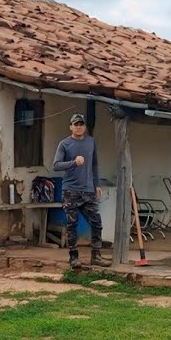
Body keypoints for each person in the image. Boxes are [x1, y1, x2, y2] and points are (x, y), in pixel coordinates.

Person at [52, 113, 105, 269]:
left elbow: (94, 164)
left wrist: (97, 184)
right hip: (71, 190)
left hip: (88, 190)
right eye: (76, 124)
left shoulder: (90, 142)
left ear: (85, 126)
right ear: (71, 127)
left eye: (81, 124)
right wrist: (74, 162)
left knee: (96, 222)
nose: (79, 127)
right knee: (72, 225)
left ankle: (96, 255)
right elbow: (56, 165)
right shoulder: (64, 144)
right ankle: (73, 257)